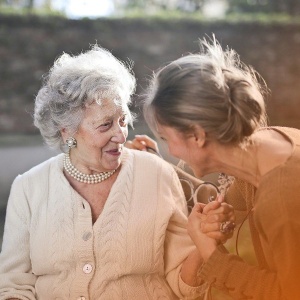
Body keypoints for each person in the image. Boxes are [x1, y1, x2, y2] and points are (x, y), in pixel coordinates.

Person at [0, 45, 235, 300]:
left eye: (122, 121)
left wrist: (202, 244)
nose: (121, 134)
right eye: (105, 125)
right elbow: (13, 285)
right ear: (66, 131)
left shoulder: (156, 174)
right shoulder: (28, 188)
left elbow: (183, 285)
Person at [141, 36, 300, 299]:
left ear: (197, 135)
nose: (172, 152)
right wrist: (222, 221)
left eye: (168, 139)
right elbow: (238, 206)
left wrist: (212, 254)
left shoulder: (281, 198)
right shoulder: (269, 143)